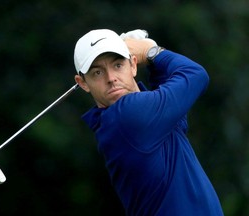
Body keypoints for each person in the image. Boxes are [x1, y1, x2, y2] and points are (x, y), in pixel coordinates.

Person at [73, 29, 224, 216]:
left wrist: (154, 62)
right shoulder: (127, 115)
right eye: (97, 72)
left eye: (118, 65)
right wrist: (151, 51)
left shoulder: (141, 119)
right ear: (83, 83)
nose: (111, 78)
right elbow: (195, 75)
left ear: (133, 66)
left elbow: (169, 92)